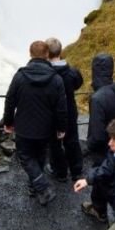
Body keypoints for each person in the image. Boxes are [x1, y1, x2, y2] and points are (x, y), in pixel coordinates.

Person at [2, 40, 67, 205]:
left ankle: (42, 187)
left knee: (25, 157)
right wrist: (61, 128)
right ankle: (35, 187)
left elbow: (10, 101)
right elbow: (61, 108)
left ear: (30, 54)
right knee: (39, 155)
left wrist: (8, 122)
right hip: (46, 127)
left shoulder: (20, 76)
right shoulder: (56, 79)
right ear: (47, 55)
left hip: (24, 127)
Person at [45, 37, 85, 182]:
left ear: (46, 54)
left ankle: (60, 172)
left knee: (54, 143)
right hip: (70, 110)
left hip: (51, 114)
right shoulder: (72, 72)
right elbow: (78, 83)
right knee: (72, 139)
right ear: (60, 52)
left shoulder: (45, 75)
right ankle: (76, 172)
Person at [86, 53, 115, 158]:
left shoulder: (96, 98)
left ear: (94, 70)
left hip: (105, 148)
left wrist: (89, 146)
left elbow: (97, 135)